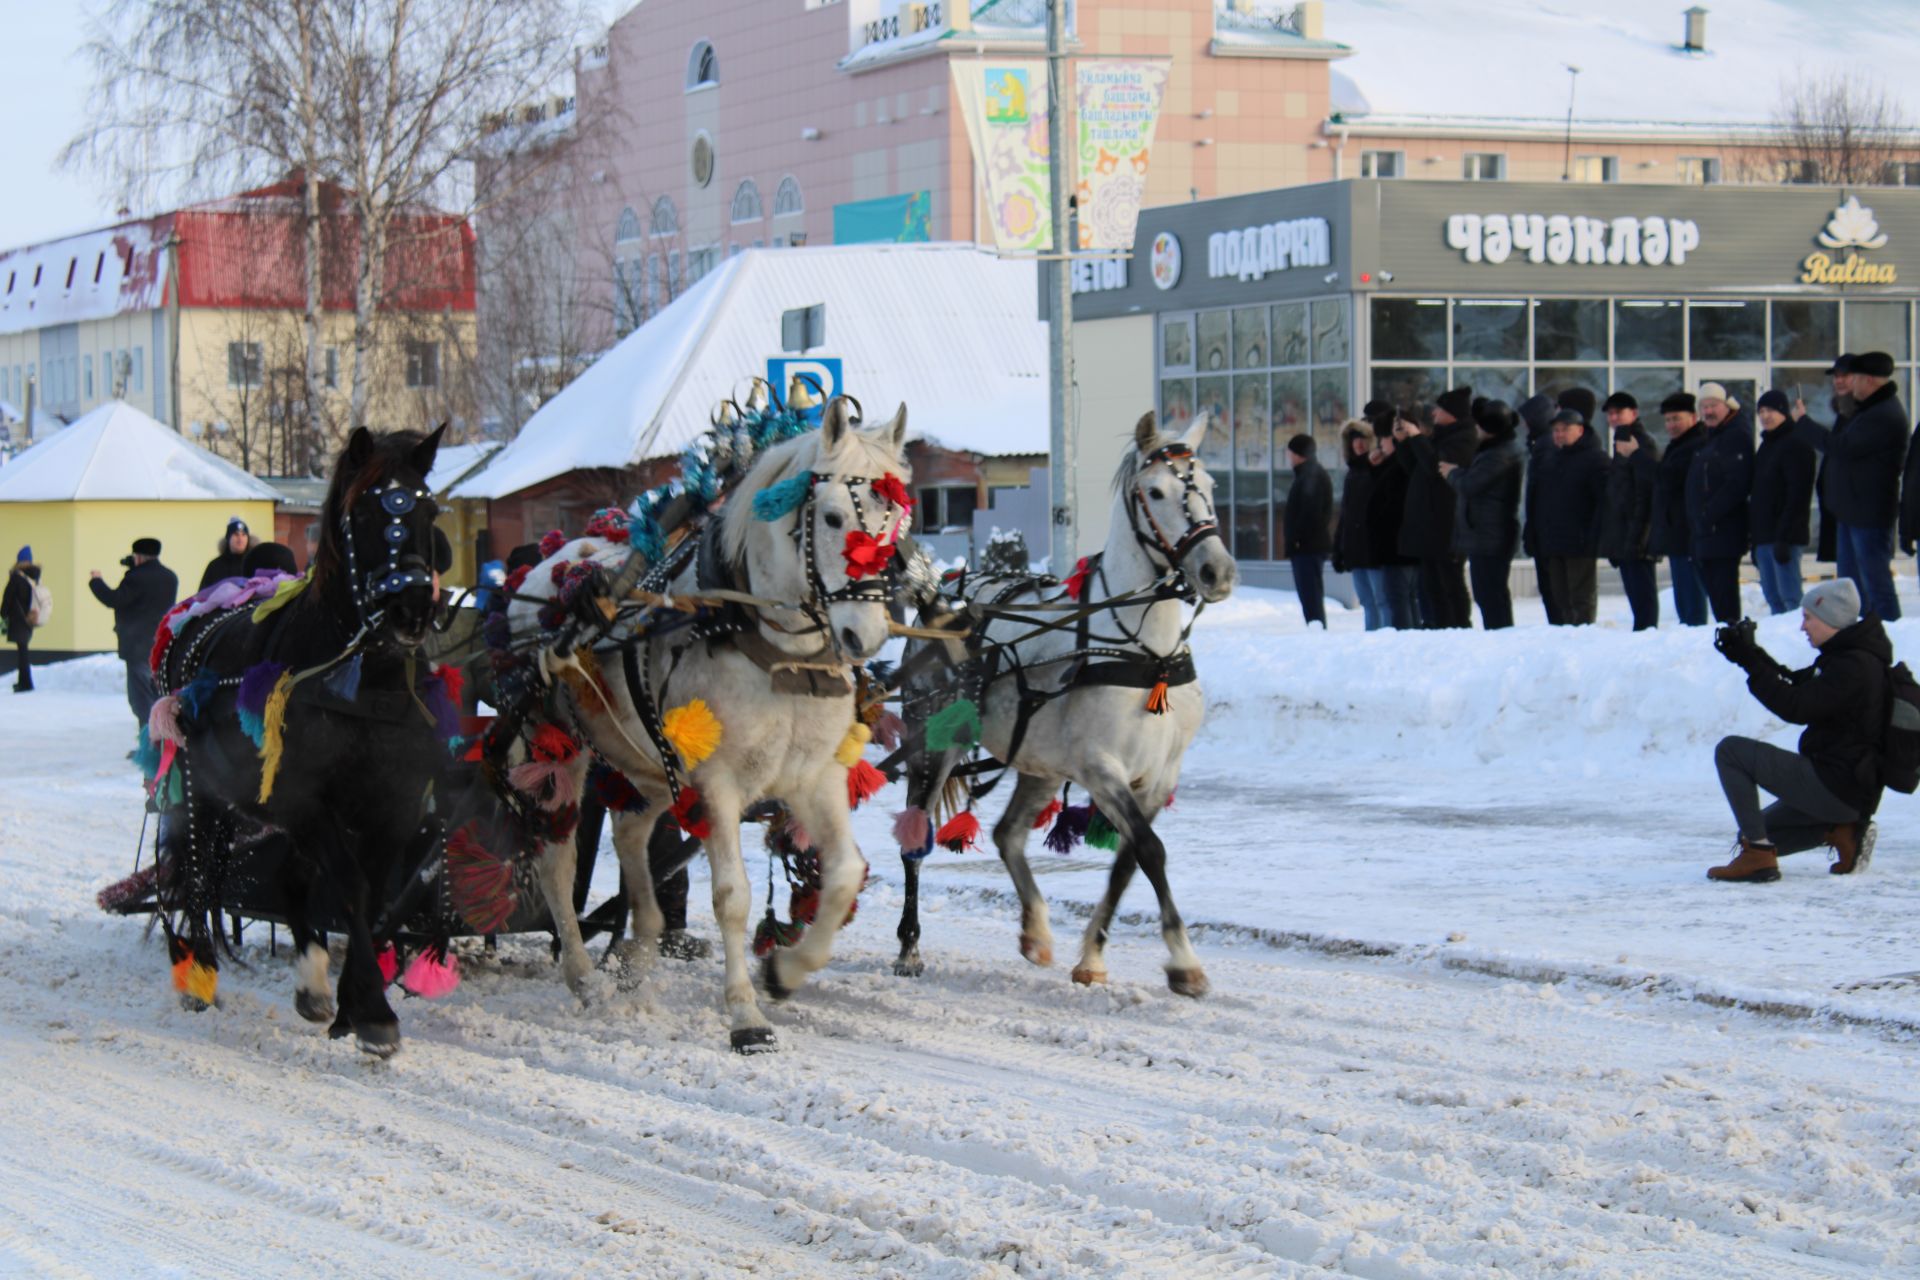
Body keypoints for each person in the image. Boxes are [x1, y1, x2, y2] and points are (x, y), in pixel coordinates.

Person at [1706, 579, 1888, 883]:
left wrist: (1751, 662)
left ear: (1830, 619)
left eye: (1808, 618)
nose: (1803, 627)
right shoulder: (1848, 656)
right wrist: (1749, 654)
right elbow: (1794, 683)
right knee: (1753, 830)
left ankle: (1759, 857)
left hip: (1837, 783)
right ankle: (1841, 831)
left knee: (1731, 751)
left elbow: (1795, 706)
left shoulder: (1853, 667)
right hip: (1847, 789)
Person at [1825, 351, 1906, 622]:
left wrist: (1803, 425)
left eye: (1852, 378)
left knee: (1875, 584)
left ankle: (1888, 639)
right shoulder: (1864, 411)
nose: (1847, 384)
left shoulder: (1883, 414)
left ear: (1869, 380)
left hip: (1870, 513)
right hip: (1852, 510)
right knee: (1851, 587)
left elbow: (1844, 448)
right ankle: (1861, 639)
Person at [1395, 386, 1477, 629]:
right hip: (1429, 524)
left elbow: (1434, 467)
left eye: (1440, 410)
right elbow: (1415, 468)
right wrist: (1403, 443)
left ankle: (1458, 625)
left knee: (1449, 581)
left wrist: (1418, 437)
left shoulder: (1463, 439)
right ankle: (1438, 625)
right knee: (1431, 583)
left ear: (1452, 413)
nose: (1434, 414)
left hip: (1447, 523)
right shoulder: (1441, 436)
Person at [1441, 398, 1524, 630]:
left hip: (1491, 535)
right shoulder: (1494, 451)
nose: (1476, 429)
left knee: (1490, 594)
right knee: (1489, 594)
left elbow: (1470, 485)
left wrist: (1453, 473)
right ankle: (1499, 634)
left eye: (1479, 425)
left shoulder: (1499, 455)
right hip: (1486, 533)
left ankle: (1500, 636)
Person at [89, 537, 179, 734]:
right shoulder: (170, 577)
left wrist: (96, 581)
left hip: (138, 646)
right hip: (162, 643)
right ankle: (164, 738)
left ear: (138, 556)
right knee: (158, 694)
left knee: (141, 698)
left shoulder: (136, 578)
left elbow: (114, 599)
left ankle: (148, 742)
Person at [1531, 407, 1608, 625]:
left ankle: (1583, 636)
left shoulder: (1595, 459)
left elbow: (1603, 502)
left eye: (1565, 429)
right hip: (1553, 540)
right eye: (1556, 430)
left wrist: (1593, 535)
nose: (1559, 434)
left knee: (1580, 596)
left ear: (1580, 430)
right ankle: (1564, 636)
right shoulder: (1550, 460)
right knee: (1559, 596)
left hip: (1580, 540)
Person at [1686, 382, 1754, 625]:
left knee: (1725, 599)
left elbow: (1736, 484)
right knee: (1715, 596)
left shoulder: (1736, 436)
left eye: (1713, 405)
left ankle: (1735, 639)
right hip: (1705, 533)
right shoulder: (1709, 438)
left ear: (1727, 406)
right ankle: (1726, 638)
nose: (1708, 411)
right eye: (1704, 407)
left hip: (1724, 531)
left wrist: (1708, 514)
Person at [1597, 392, 1662, 631]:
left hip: (1638, 534)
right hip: (1624, 532)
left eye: (1619, 412)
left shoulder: (1641, 443)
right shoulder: (1621, 442)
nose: (1614, 418)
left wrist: (1639, 536)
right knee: (1635, 592)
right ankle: (1642, 631)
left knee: (1643, 592)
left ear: (1633, 414)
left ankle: (1647, 634)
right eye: (1610, 414)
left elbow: (1645, 491)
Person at [1750, 390, 1817, 616]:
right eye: (1761, 411)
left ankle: (1797, 640)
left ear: (1783, 412)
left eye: (1771, 410)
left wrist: (1785, 536)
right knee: (1772, 597)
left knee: (1790, 598)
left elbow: (1798, 494)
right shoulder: (1766, 446)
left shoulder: (1796, 443)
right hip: (1764, 536)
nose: (1765, 416)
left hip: (1785, 536)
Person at [1651, 393, 1709, 626]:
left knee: (1692, 598)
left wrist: (1637, 457)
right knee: (1683, 598)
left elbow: (1669, 479)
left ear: (1693, 417)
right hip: (1676, 531)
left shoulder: (1696, 444)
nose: (1671, 425)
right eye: (1667, 420)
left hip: (1688, 531)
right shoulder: (1677, 446)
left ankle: (1695, 639)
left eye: (1676, 419)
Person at [1332, 420, 1389, 630]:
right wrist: (1339, 548)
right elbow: (1346, 515)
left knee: (1381, 599)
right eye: (1354, 440)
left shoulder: (1376, 471)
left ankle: (1383, 638)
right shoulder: (1352, 474)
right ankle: (1372, 637)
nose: (1359, 445)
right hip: (1356, 549)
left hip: (1373, 547)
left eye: (1363, 439)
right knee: (1367, 601)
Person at [1365, 421, 1421, 629]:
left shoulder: (1402, 466)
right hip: (1395, 544)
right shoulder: (1391, 466)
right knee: (1400, 598)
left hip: (1396, 544)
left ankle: (1405, 637)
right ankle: (1407, 634)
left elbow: (1390, 503)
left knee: (1398, 598)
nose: (1380, 445)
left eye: (1383, 439)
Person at [1281, 433, 1333, 629]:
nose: (1289, 457)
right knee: (1309, 594)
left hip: (1308, 547)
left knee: (1310, 594)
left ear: (1297, 453)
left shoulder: (1311, 476)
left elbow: (1310, 513)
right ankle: (1315, 627)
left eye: (1290, 452)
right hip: (1307, 546)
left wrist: (1296, 538)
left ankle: (1317, 629)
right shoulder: (1308, 474)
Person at [1516, 393, 1559, 624]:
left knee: (1555, 591)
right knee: (1551, 590)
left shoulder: (1547, 447)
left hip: (1548, 531)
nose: (1523, 425)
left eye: (1527, 420)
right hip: (1542, 531)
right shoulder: (1538, 446)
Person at [3, 547, 41, 693]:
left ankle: (25, 683)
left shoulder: (17, 578)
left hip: (18, 618)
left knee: (22, 652)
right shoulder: (33, 577)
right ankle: (25, 681)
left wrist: (3, 614)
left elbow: (7, 598)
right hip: (30, 617)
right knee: (23, 650)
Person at [198, 517, 253, 590]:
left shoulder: (255, 565)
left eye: (243, 535)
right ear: (228, 538)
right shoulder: (215, 566)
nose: (240, 539)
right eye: (236, 534)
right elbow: (202, 595)